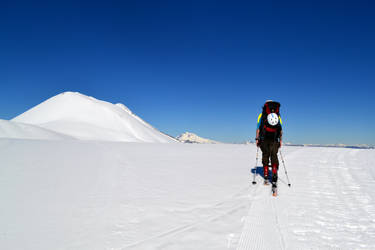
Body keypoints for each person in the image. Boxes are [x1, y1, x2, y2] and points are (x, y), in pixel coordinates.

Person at [255, 101, 283, 185]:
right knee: (274, 154)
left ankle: (266, 174)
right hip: (275, 139)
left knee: (265, 154)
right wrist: (280, 140)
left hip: (264, 139)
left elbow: (258, 128)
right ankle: (274, 172)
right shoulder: (278, 115)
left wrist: (257, 138)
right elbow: (281, 130)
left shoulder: (261, 115)